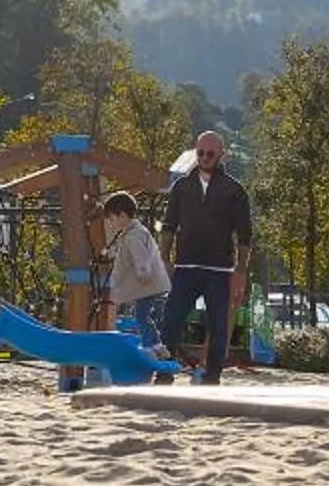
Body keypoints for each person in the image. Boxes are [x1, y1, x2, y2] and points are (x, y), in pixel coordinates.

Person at [160, 130, 252, 385]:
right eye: (200, 153)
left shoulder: (234, 190)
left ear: (221, 155)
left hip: (219, 269)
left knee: (219, 326)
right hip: (185, 266)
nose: (204, 158)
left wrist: (240, 270)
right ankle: (164, 372)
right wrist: (164, 259)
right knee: (171, 320)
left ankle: (213, 376)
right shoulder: (181, 188)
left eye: (210, 154)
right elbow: (169, 226)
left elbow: (245, 235)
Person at [100, 190, 170, 364]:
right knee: (142, 315)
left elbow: (141, 257)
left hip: (145, 284)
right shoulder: (132, 233)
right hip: (146, 284)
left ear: (122, 216)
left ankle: (151, 347)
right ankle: (157, 346)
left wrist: (142, 274)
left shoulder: (134, 235)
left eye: (112, 219)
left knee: (141, 316)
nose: (111, 223)